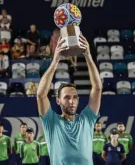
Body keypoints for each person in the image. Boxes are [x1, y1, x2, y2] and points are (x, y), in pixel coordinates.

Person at [37, 34, 102, 165]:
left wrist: (88, 56)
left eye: (75, 97)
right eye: (66, 98)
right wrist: (55, 61)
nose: (71, 101)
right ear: (58, 101)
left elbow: (97, 88)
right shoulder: (51, 121)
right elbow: (41, 94)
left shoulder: (87, 119)